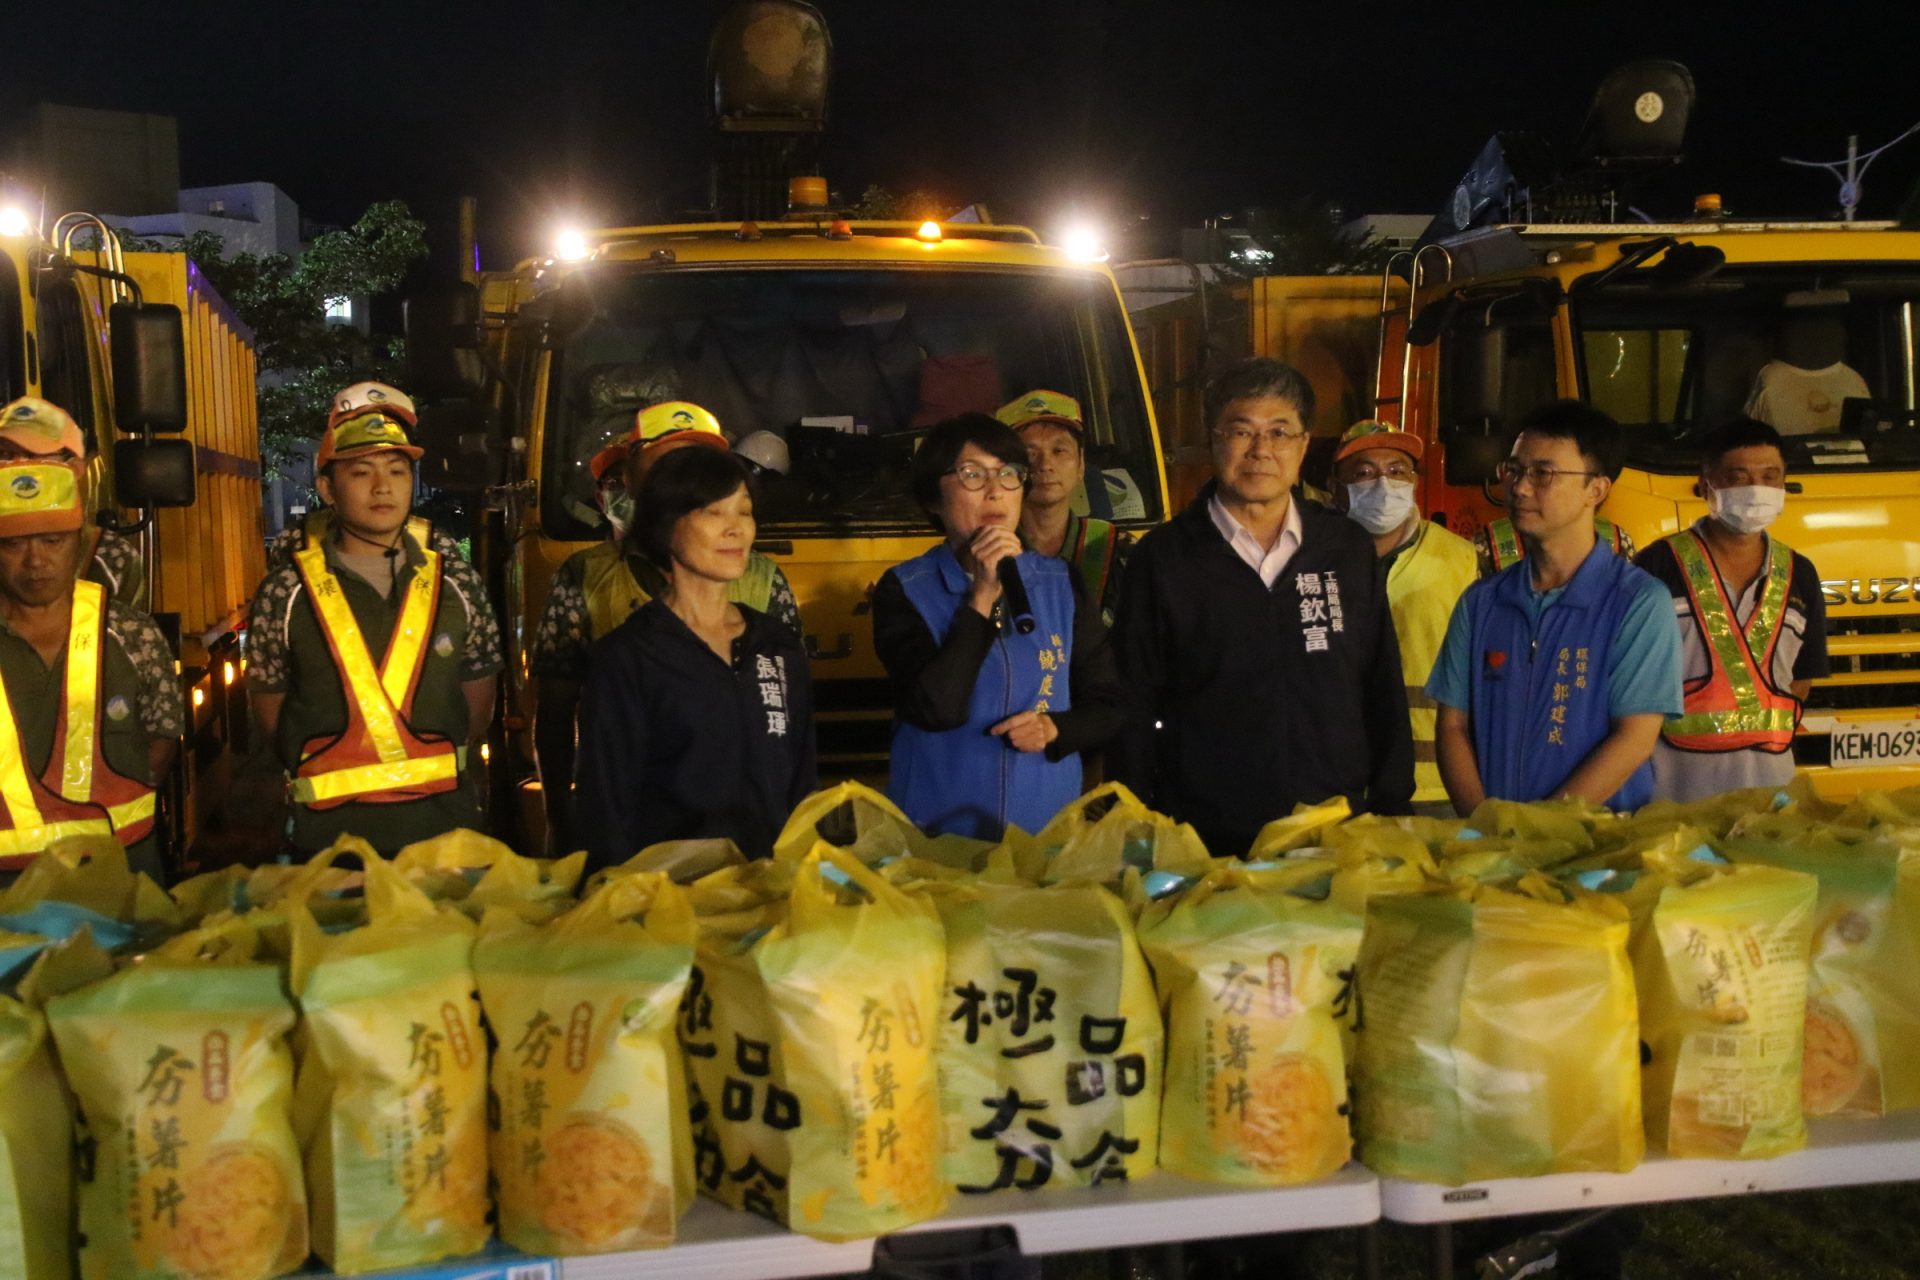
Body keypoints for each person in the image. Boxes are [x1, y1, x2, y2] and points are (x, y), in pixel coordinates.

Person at [1109, 358, 1412, 857]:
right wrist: (1136, 820)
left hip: (1334, 828)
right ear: (1213, 440)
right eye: (1241, 431)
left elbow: (1380, 680)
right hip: (1206, 836)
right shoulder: (1164, 559)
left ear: (1304, 445)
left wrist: (1392, 801)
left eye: (1279, 432)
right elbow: (1134, 702)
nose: (1261, 450)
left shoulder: (1344, 548)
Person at [529, 401, 801, 852]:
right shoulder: (590, 585)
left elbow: (790, 733)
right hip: (648, 852)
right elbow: (558, 714)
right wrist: (560, 818)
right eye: (668, 467)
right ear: (633, 481)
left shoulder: (764, 585)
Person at [245, 404, 503, 854]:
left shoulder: (458, 583)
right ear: (328, 489)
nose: (383, 487)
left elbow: (477, 713)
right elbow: (273, 720)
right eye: (362, 473)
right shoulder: (285, 592)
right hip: (327, 850)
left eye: (397, 472)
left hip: (446, 844)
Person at [873, 413, 1124, 840]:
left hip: (1044, 835)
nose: (995, 491)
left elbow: (1110, 704)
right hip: (938, 836)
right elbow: (937, 709)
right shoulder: (905, 589)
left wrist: (1055, 728)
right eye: (972, 475)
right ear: (934, 498)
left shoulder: (1060, 582)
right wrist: (983, 596)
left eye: (1008, 474)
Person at [1427, 401, 1683, 814]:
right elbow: (1453, 726)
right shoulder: (1482, 602)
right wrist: (1483, 826)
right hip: (1495, 841)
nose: (1520, 488)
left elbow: (1635, 737)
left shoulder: (1638, 602)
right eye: (1514, 471)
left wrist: (1543, 827)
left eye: (1542, 474)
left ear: (1596, 490)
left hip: (1598, 839)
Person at [575, 447, 815, 868]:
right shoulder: (627, 658)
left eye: (744, 512)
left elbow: (802, 788)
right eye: (713, 512)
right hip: (671, 896)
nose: (735, 529)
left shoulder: (777, 646)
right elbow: (607, 810)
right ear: (666, 526)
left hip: (771, 891)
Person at [0, 405, 181, 879]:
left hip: (118, 882)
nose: (35, 561)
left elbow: (161, 737)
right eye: (15, 543)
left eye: (53, 541)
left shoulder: (129, 627)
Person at [1636, 417, 1828, 802]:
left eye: (1770, 477)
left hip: (1771, 796)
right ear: (1706, 486)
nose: (1756, 490)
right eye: (1738, 478)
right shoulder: (1656, 566)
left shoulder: (1800, 573)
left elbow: (1801, 681)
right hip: (1671, 798)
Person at [1330, 420, 1478, 810]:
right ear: (1335, 486)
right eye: (1364, 472)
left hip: (1437, 785)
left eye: (1398, 471)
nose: (1384, 484)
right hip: (1335, 784)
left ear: (1414, 481)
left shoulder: (1463, 560)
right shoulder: (1309, 559)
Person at [997, 389, 1134, 627]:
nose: (1045, 465)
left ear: (1081, 465)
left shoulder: (1116, 550)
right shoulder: (987, 552)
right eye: (1030, 453)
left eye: (1059, 450)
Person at [0, 397, 146, 609]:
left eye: (35, 455)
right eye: (4, 455)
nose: (18, 466)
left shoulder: (109, 559)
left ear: (75, 468)